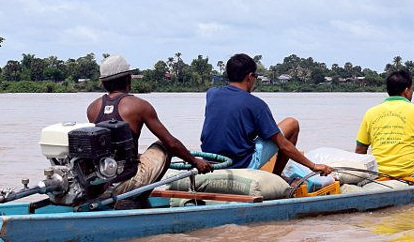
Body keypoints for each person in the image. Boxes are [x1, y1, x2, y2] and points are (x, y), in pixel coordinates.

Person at [86, 54, 213, 207]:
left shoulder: (92, 108)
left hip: (101, 184)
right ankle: (135, 199)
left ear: (103, 83)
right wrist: (195, 162)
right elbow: (171, 143)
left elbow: (108, 147)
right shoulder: (139, 106)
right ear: (128, 79)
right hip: (125, 183)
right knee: (163, 145)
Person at [200, 53, 333, 176]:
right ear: (250, 77)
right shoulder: (256, 104)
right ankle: (276, 176)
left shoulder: (212, 93)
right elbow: (283, 145)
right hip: (242, 165)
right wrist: (313, 166)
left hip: (211, 162)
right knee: (292, 124)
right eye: (256, 77)